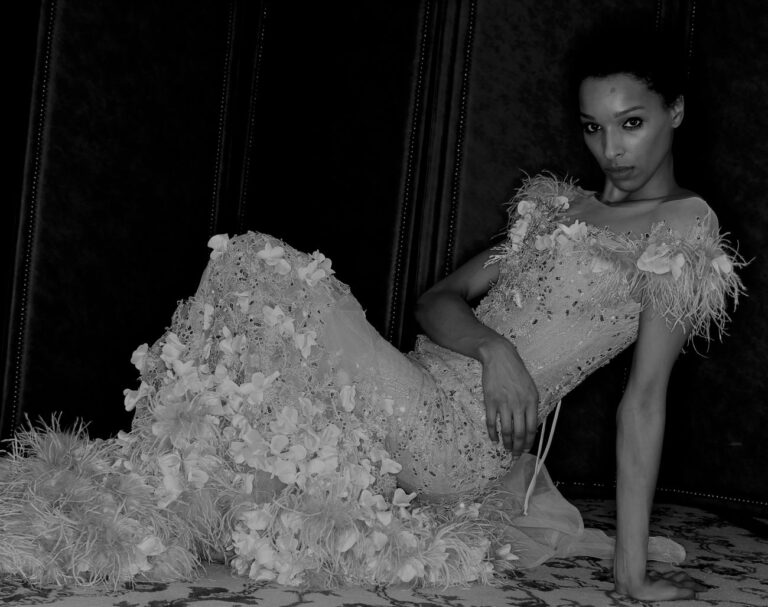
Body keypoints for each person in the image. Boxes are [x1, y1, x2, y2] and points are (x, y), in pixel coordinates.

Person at [0, 25, 743, 602]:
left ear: (675, 112)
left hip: (458, 442)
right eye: (592, 127)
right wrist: (496, 351)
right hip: (415, 389)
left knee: (256, 262)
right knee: (249, 280)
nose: (612, 149)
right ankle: (160, 484)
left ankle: (154, 484)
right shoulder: (559, 208)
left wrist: (630, 570)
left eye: (632, 123)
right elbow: (436, 301)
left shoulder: (682, 226)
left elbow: (645, 401)